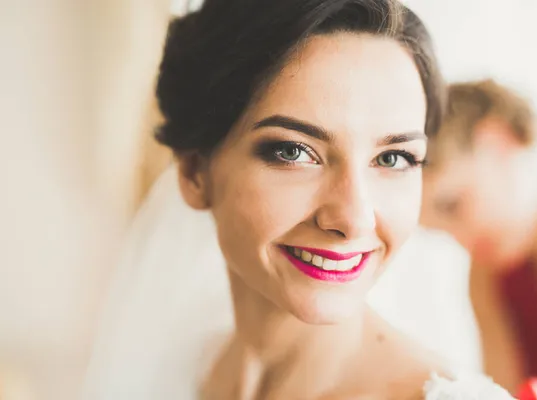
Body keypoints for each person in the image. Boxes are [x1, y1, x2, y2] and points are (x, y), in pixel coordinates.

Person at [153, 0, 450, 398]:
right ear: (195, 174)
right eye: (293, 152)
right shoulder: (175, 370)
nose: (354, 218)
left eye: (393, 158)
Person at [421, 79, 537, 399]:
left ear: (498, 142)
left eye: (453, 206)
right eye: (440, 231)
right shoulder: (488, 277)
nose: (461, 240)